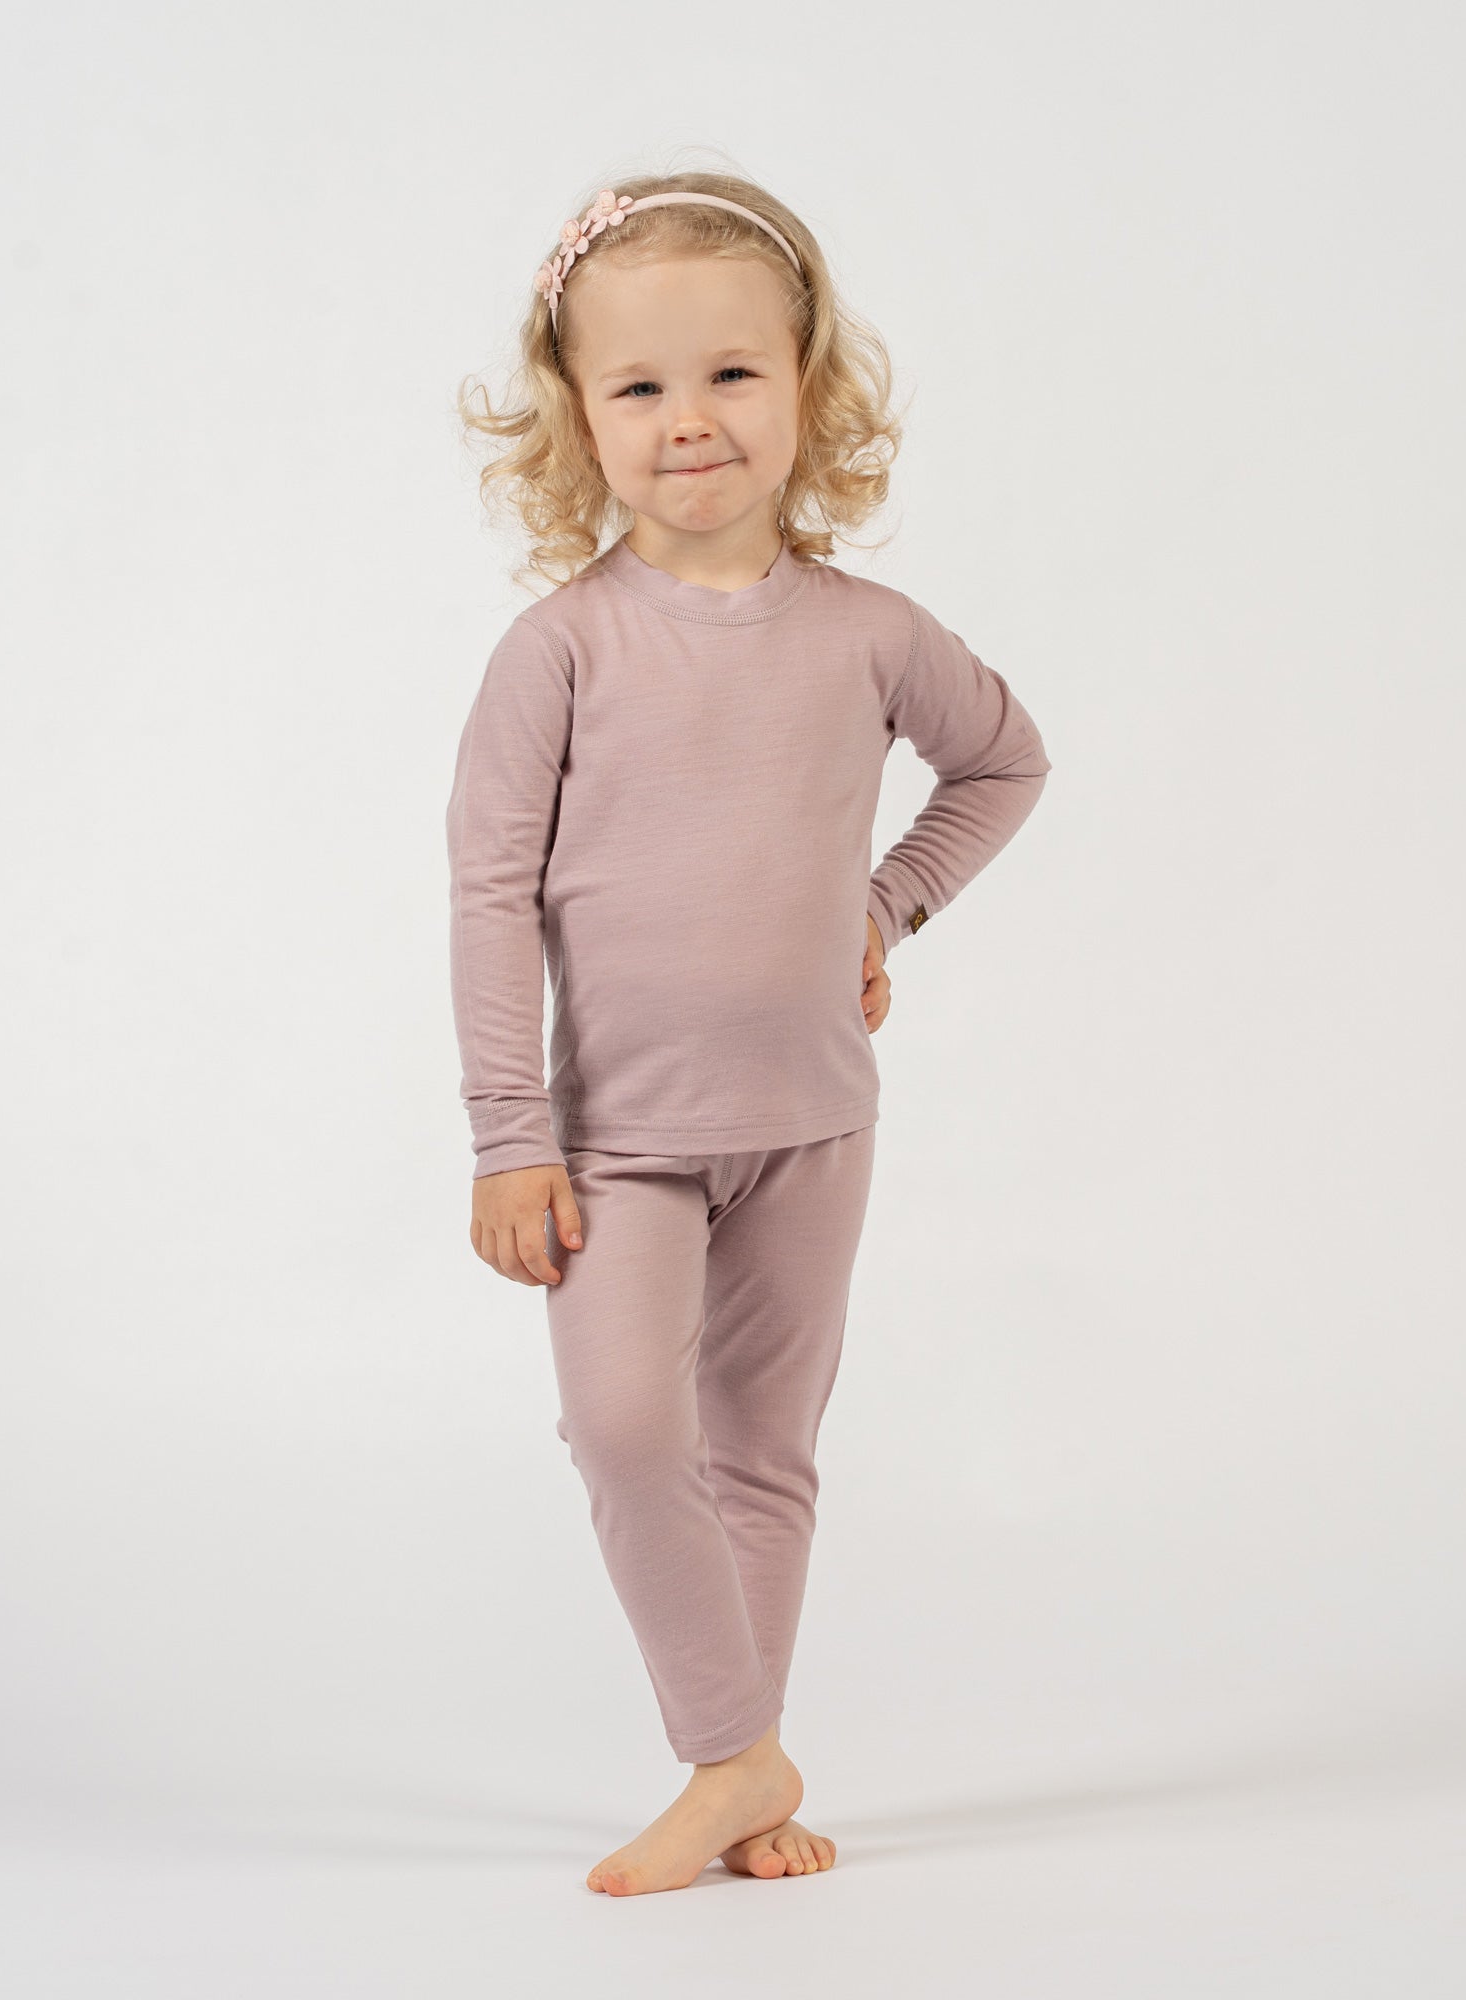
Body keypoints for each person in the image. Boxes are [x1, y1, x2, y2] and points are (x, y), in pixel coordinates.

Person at [446, 171, 1053, 1896]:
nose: (689, 419)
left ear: (807, 387)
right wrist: (509, 1137)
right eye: (639, 386)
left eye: (731, 374)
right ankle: (737, 1754)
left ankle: (740, 1775)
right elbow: (488, 898)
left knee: (763, 1453)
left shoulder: (872, 636)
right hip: (617, 1145)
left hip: (812, 1123)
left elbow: (1003, 764)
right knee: (627, 1428)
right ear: (578, 418)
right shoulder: (559, 652)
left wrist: (886, 906)